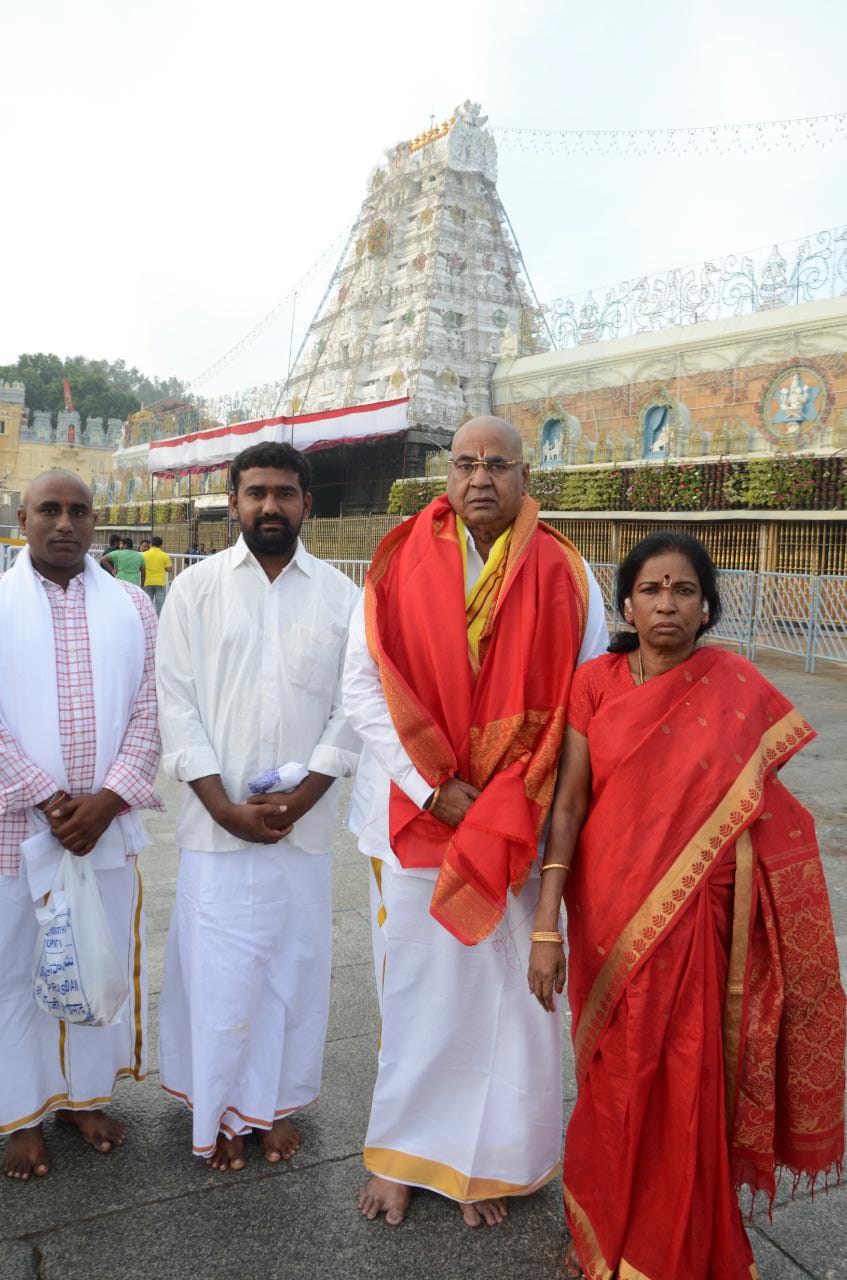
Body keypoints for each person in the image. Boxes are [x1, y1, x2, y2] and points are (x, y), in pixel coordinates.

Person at [529, 531, 845, 1278]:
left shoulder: (736, 685)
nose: (666, 603)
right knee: (614, 1077)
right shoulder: (594, 684)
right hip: (609, 911)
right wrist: (546, 926)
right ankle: (605, 1225)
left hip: (703, 916)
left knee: (689, 1079)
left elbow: (768, 813)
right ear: (626, 606)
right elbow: (567, 807)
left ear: (707, 608)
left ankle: (677, 1243)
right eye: (650, 589)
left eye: (683, 590)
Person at [342, 416, 608, 1227]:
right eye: (464, 464)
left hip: (521, 820)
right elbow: (363, 689)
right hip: (417, 813)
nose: (480, 478)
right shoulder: (397, 560)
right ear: (446, 475)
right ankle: (403, 1156)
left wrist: (516, 798)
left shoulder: (566, 571)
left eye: (497, 464)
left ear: (526, 476)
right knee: (418, 995)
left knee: (512, 1003)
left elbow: (586, 699)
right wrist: (433, 789)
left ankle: (492, 1166)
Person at [155, 441, 360, 1171]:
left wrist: (303, 798)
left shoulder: (341, 596)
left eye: (284, 493)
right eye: (256, 493)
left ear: (307, 502)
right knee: (219, 975)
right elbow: (176, 706)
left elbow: (353, 708)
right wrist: (220, 806)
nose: (270, 506)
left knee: (290, 970)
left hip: (300, 831)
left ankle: (272, 1108)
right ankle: (216, 1110)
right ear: (234, 502)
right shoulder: (196, 590)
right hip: (216, 830)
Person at [0, 470, 162, 1181]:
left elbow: (153, 707)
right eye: (49, 510)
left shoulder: (132, 607)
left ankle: (84, 1097)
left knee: (96, 963)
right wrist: (46, 797)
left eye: (79, 511)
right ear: (22, 519)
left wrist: (109, 798)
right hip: (16, 827)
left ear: (96, 521)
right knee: (13, 973)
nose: (64, 523)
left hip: (103, 827)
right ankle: (21, 1113)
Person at [142, 536, 172, 616]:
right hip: (160, 582)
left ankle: (148, 619)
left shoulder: (144, 554)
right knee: (160, 605)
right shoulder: (164, 555)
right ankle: (159, 621)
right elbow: (169, 569)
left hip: (147, 581)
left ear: (151, 544)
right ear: (161, 545)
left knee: (147, 604)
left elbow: (141, 567)